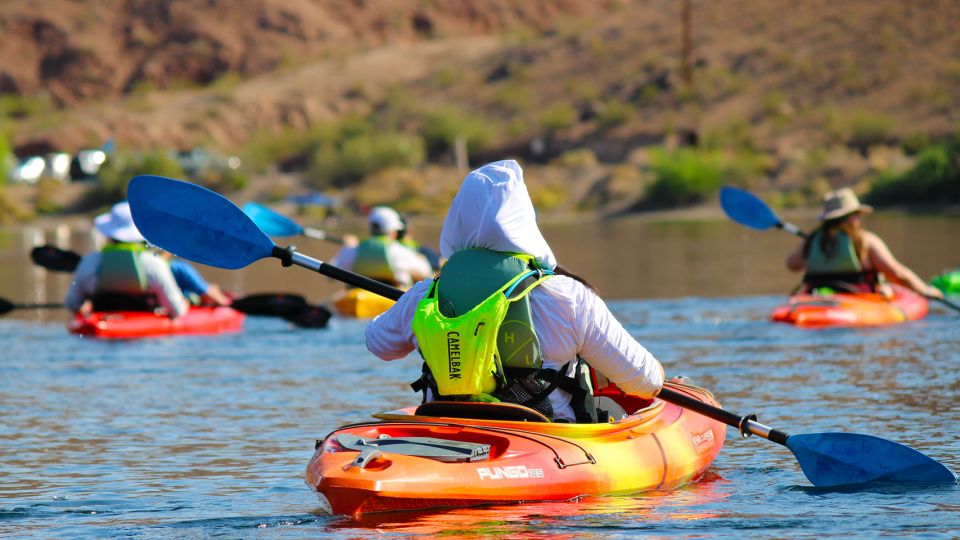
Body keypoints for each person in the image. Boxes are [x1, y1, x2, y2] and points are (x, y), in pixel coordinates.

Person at [364, 160, 664, 423]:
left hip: (449, 432)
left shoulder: (426, 294)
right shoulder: (566, 296)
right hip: (543, 438)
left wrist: (412, 308)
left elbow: (377, 343)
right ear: (524, 220)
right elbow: (646, 382)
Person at [786, 188, 944, 299]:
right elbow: (897, 274)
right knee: (887, 289)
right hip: (859, 298)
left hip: (816, 296)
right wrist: (924, 290)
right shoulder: (866, 240)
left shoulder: (811, 240)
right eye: (856, 215)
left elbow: (792, 265)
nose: (859, 219)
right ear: (850, 217)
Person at [65, 202, 190, 317]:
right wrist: (186, 302)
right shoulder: (154, 263)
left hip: (101, 321)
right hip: (145, 331)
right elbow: (177, 310)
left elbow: (72, 303)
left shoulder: (89, 262)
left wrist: (86, 306)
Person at [332, 206, 432, 288]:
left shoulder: (352, 250)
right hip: (392, 303)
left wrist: (347, 247)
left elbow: (331, 275)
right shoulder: (400, 252)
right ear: (393, 231)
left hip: (360, 301)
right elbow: (425, 272)